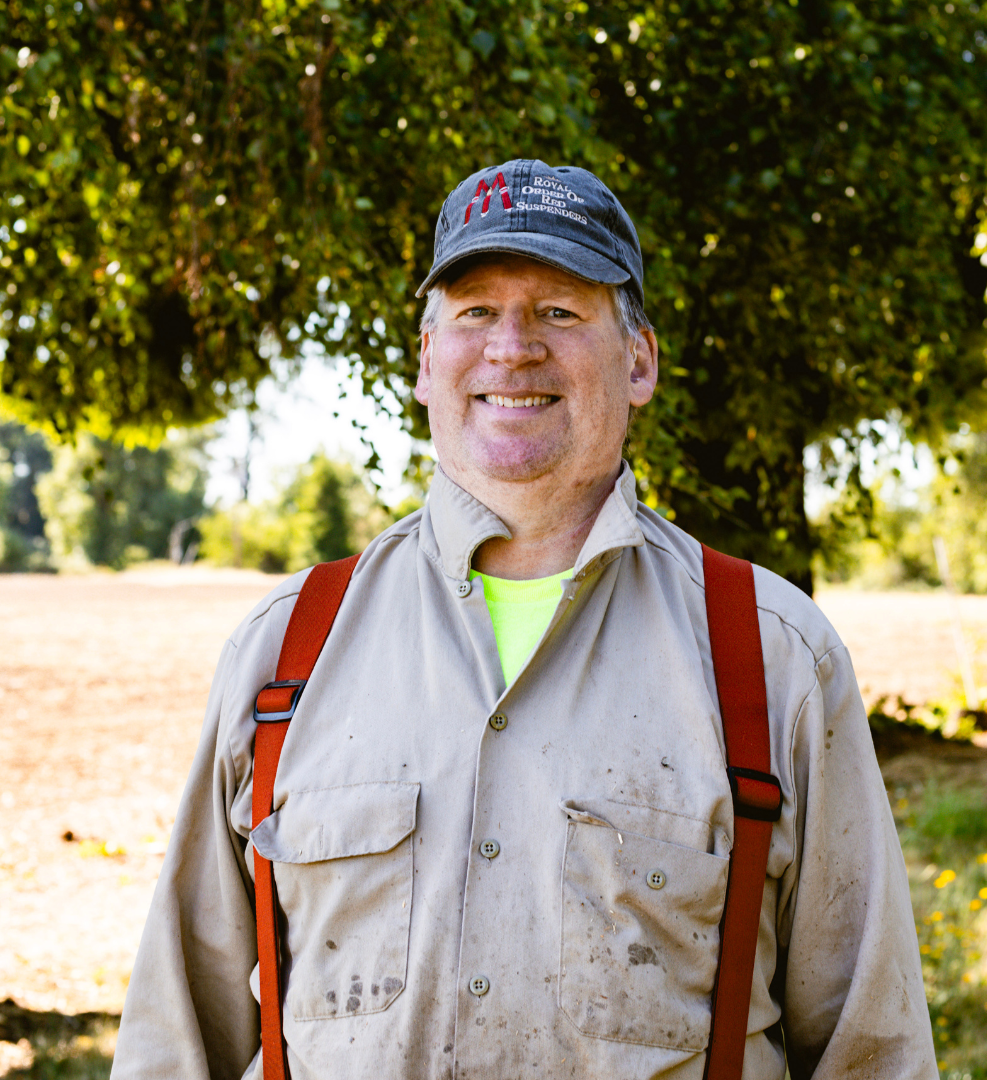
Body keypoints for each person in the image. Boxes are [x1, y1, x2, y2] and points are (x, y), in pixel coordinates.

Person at [111, 159, 937, 1080]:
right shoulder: (281, 651)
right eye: (474, 312)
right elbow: (175, 1041)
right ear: (426, 365)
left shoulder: (775, 658)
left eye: (559, 311)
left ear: (639, 361)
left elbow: (873, 1051)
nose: (512, 347)